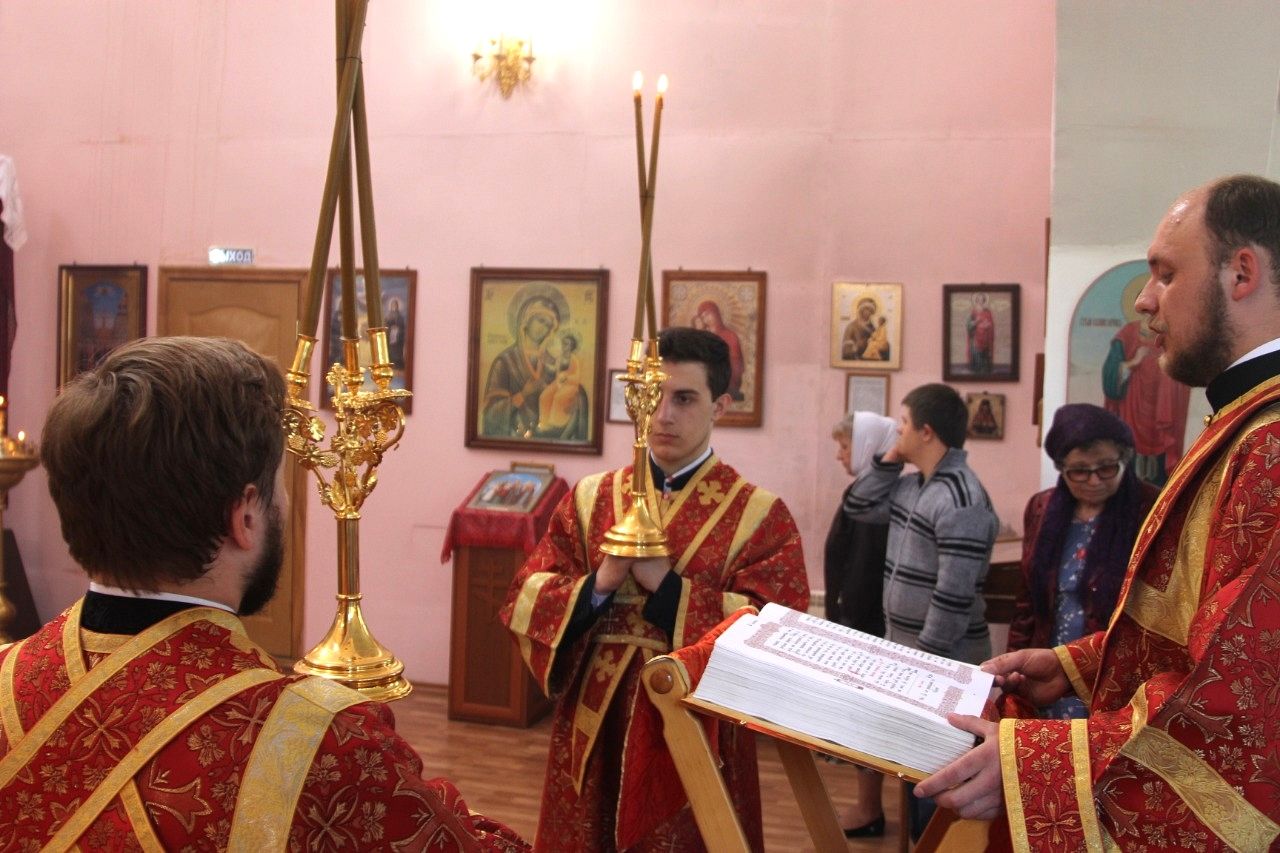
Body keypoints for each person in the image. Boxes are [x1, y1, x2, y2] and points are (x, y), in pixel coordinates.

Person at [0, 336, 527, 850]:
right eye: (280, 483)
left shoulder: (5, 678)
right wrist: (388, 768)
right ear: (246, 517)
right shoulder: (319, 746)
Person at [917, 175, 1280, 851]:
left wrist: (1035, 763)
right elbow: (1197, 624)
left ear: (1241, 272)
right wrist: (1076, 665)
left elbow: (1241, 703)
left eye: (1166, 273)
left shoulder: (1272, 443)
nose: (1144, 299)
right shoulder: (1246, 422)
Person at [501, 327, 809, 851]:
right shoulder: (591, 498)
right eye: (654, 396)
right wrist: (599, 585)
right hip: (594, 726)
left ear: (721, 406)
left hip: (695, 731)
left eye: (685, 399)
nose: (663, 415)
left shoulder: (759, 516)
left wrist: (668, 590)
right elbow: (526, 595)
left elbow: (776, 631)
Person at [843, 382, 998, 839]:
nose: (897, 432)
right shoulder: (912, 487)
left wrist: (922, 666)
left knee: (943, 788)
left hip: (943, 666)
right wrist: (891, 460)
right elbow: (858, 505)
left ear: (927, 432)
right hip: (910, 658)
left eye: (905, 424)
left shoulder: (962, 499)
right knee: (916, 781)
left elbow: (953, 598)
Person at [1005, 403, 1158, 719]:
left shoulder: (1151, 508)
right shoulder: (1041, 509)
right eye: (1079, 471)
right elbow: (1027, 601)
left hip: (1115, 675)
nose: (1094, 480)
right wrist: (1014, 665)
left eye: (1106, 468)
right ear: (1061, 468)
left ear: (1124, 460)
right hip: (1046, 668)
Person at [823, 411, 893, 837]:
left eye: (845, 446)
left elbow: (865, 569)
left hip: (866, 624)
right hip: (856, 619)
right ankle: (868, 806)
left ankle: (870, 809)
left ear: (867, 445)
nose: (840, 454)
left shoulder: (875, 502)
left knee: (868, 718)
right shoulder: (865, 492)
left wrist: (849, 623)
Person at [1101, 279, 1193, 486]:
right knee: (1129, 455)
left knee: (1159, 471)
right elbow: (1111, 373)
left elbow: (1184, 372)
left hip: (1162, 408)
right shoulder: (1127, 334)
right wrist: (1133, 362)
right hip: (1131, 406)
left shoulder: (1170, 335)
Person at [481, 284, 566, 438]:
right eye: (540, 320)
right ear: (527, 320)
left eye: (548, 325)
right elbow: (491, 414)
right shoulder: (505, 362)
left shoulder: (552, 363)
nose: (544, 328)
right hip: (514, 434)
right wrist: (524, 394)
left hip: (546, 435)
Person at [535, 328, 589, 441]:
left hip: (571, 385)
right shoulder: (560, 357)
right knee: (544, 396)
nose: (565, 346)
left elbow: (577, 376)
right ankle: (544, 423)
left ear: (572, 346)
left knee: (558, 398)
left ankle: (556, 424)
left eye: (567, 344)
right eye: (564, 343)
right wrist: (545, 363)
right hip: (558, 383)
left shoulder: (574, 359)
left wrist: (566, 377)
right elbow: (555, 369)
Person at [694, 300, 746, 401]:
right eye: (703, 317)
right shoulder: (703, 336)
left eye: (709, 314)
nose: (706, 319)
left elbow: (736, 364)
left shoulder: (730, 336)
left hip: (727, 382)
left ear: (717, 314)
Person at [966, 293, 995, 374]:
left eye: (982, 299)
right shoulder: (973, 312)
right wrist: (976, 322)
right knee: (977, 354)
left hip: (986, 337)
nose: (980, 300)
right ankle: (977, 370)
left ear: (984, 300)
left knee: (985, 355)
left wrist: (988, 325)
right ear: (976, 300)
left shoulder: (988, 312)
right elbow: (968, 325)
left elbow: (991, 324)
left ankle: (985, 370)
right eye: (979, 299)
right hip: (976, 337)